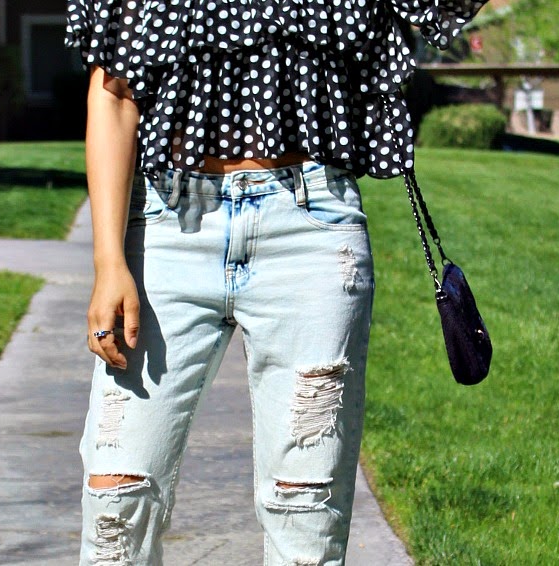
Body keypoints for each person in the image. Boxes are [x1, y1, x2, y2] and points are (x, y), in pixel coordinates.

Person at [66, 1, 486, 564]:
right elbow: (114, 93)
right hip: (166, 233)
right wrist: (108, 262)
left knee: (306, 512)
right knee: (115, 506)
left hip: (310, 233)